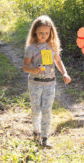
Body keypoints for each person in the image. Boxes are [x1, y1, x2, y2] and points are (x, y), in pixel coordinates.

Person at [23, 15, 71, 148]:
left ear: (50, 32)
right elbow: (25, 66)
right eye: (40, 33)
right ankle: (36, 132)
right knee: (36, 109)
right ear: (35, 32)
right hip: (35, 83)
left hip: (50, 84)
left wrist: (64, 73)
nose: (43, 35)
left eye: (46, 33)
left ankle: (45, 137)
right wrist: (33, 70)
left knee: (47, 110)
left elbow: (58, 61)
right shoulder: (31, 48)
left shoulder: (52, 46)